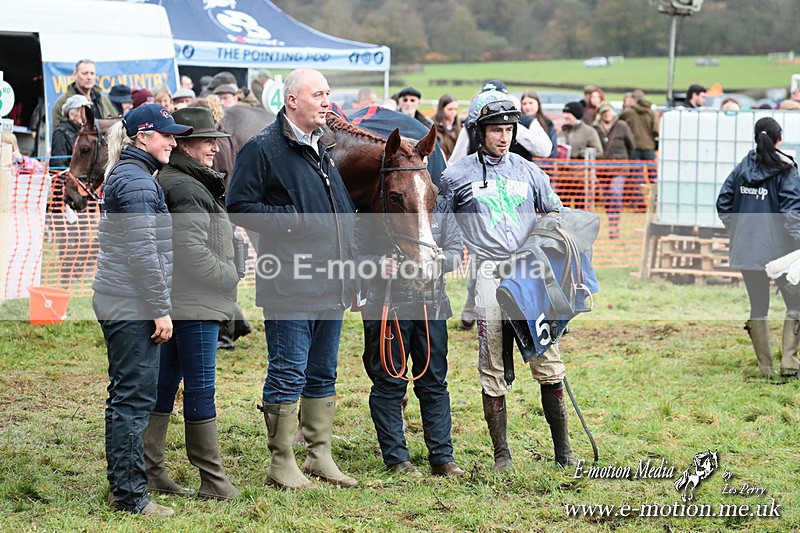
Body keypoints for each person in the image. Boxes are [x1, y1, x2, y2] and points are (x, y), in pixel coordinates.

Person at [226, 68, 358, 490]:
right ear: (292, 101)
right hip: (288, 283)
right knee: (288, 371)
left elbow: (340, 215)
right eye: (318, 94)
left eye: (328, 93)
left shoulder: (323, 147)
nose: (326, 100)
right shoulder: (263, 149)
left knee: (323, 373)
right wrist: (294, 221)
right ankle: (281, 462)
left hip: (331, 282)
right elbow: (239, 206)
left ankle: (320, 456)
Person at [439, 92, 577, 469]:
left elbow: (555, 213)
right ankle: (502, 454)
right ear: (478, 131)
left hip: (530, 274)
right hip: (488, 273)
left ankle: (563, 451)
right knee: (492, 364)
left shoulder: (530, 171)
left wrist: (545, 245)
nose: (504, 136)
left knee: (548, 359)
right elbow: (444, 232)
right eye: (496, 130)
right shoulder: (455, 176)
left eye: (509, 129)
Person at [92, 104, 193, 515]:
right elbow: (143, 254)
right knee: (132, 400)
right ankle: (131, 496)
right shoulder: (136, 182)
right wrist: (160, 309)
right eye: (167, 134)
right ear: (142, 137)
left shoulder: (136, 176)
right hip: (131, 302)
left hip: (125, 299)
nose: (173, 141)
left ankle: (126, 488)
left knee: (127, 396)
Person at [147, 106, 240, 500]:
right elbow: (190, 251)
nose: (214, 150)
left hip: (184, 301)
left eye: (216, 142)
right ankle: (213, 479)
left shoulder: (187, 181)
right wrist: (230, 274)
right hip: (194, 302)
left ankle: (150, 469)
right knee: (200, 388)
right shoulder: (184, 186)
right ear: (184, 143)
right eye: (207, 142)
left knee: (166, 383)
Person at [357, 194, 465, 477]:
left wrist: (440, 261)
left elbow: (455, 250)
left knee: (434, 382)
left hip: (433, 306)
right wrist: (378, 263)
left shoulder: (439, 205)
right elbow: (354, 255)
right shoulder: (375, 206)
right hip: (387, 306)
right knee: (389, 383)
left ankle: (443, 458)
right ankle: (397, 460)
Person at [716, 117, 800, 378]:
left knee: (758, 307)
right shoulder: (786, 169)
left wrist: (740, 231)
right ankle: (790, 362)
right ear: (779, 138)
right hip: (781, 254)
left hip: (748, 251)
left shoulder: (742, 167)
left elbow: (723, 203)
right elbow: (792, 211)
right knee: (795, 303)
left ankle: (765, 368)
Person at [593, 102, 634, 239]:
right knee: (608, 198)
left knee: (615, 193)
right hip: (603, 169)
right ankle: (612, 221)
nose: (607, 114)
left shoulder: (622, 125)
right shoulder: (596, 127)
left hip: (619, 168)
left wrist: (626, 159)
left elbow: (631, 144)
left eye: (608, 111)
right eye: (604, 112)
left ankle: (614, 224)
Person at [618, 89, 659, 211]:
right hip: (649, 148)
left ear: (634, 99)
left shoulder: (628, 112)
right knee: (653, 177)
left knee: (637, 177)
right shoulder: (651, 112)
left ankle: (638, 203)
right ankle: (655, 202)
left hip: (635, 148)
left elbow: (619, 124)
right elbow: (656, 130)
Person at [50, 59, 117, 133]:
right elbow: (57, 135)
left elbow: (115, 125)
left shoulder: (103, 99)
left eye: (92, 73)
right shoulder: (63, 102)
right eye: (85, 73)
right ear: (75, 75)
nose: (89, 77)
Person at [558, 101, 603, 208]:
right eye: (564, 113)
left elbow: (599, 152)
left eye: (568, 113)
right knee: (563, 210)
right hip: (564, 179)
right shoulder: (562, 131)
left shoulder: (589, 131)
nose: (565, 116)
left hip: (581, 180)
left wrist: (582, 153)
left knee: (580, 211)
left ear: (576, 114)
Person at [51, 94, 92, 168]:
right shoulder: (61, 133)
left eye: (87, 111)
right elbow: (58, 164)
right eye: (81, 111)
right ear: (71, 114)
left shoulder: (87, 131)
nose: (85, 115)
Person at [520, 90, 558, 158]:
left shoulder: (547, 122)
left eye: (531, 103)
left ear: (538, 104)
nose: (527, 107)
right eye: (524, 104)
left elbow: (553, 149)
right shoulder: (519, 123)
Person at [432, 94, 461, 158]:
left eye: (456, 109)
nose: (453, 112)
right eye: (450, 109)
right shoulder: (432, 125)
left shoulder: (460, 125)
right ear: (442, 109)